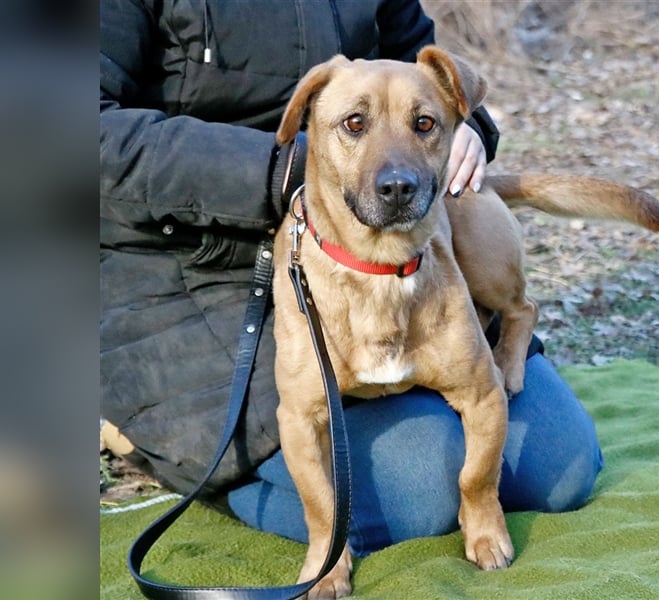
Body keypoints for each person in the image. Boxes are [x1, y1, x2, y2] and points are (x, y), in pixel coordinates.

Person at [100, 0, 603, 558]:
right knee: (422, 488)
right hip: (185, 267)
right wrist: (280, 169)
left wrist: (471, 132)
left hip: (399, 256)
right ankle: (152, 440)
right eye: (355, 123)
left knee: (561, 467)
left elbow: (426, 77)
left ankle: (416, 401)